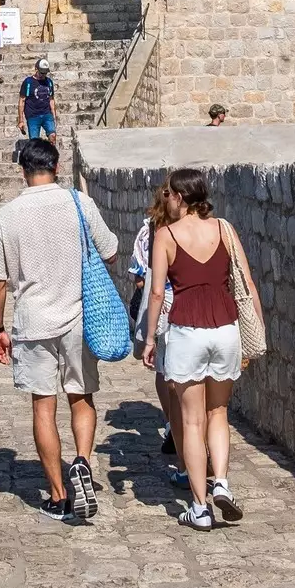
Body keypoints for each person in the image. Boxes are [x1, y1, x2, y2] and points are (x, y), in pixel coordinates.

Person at [0, 137, 120, 523]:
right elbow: (110, 250)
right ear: (56, 167)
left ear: (22, 170)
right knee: (82, 397)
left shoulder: (6, 217)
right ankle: (81, 462)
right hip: (78, 318)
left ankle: (59, 496)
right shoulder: (79, 203)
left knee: (43, 406)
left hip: (32, 322)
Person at [145, 168, 263, 530]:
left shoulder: (165, 235)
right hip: (225, 329)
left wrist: (150, 338)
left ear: (179, 197)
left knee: (192, 421)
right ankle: (222, 482)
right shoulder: (224, 229)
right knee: (219, 412)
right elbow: (246, 282)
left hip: (187, 331)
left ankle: (199, 506)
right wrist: (255, 330)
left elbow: (155, 292)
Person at [129, 183, 183, 459]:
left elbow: (140, 278)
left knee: (164, 368)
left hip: (162, 307)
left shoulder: (148, 231)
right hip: (192, 304)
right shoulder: (198, 227)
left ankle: (173, 422)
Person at [20, 56, 58, 142]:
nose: (43, 75)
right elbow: (22, 101)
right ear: (36, 69)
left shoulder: (49, 82)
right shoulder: (28, 82)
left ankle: (49, 154)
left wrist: (54, 115)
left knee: (53, 136)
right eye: (41, 72)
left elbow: (51, 99)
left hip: (47, 114)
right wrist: (21, 120)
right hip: (33, 115)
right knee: (34, 143)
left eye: (45, 73)